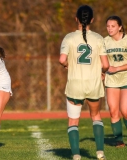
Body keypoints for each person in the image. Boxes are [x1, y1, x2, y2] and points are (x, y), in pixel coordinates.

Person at [59, 5, 109, 160]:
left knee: (74, 120)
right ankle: (100, 152)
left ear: (76, 19)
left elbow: (62, 59)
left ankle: (76, 154)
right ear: (92, 20)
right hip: (93, 83)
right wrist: (102, 72)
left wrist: (67, 65)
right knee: (96, 116)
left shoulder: (69, 37)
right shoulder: (99, 38)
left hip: (75, 84)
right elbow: (106, 64)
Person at [104, 15, 127, 148]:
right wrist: (102, 72)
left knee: (125, 110)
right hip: (111, 80)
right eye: (108, 26)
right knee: (113, 111)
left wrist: (118, 68)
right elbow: (102, 60)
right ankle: (119, 141)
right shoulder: (105, 41)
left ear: (120, 27)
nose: (110, 28)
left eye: (113, 26)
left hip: (125, 78)